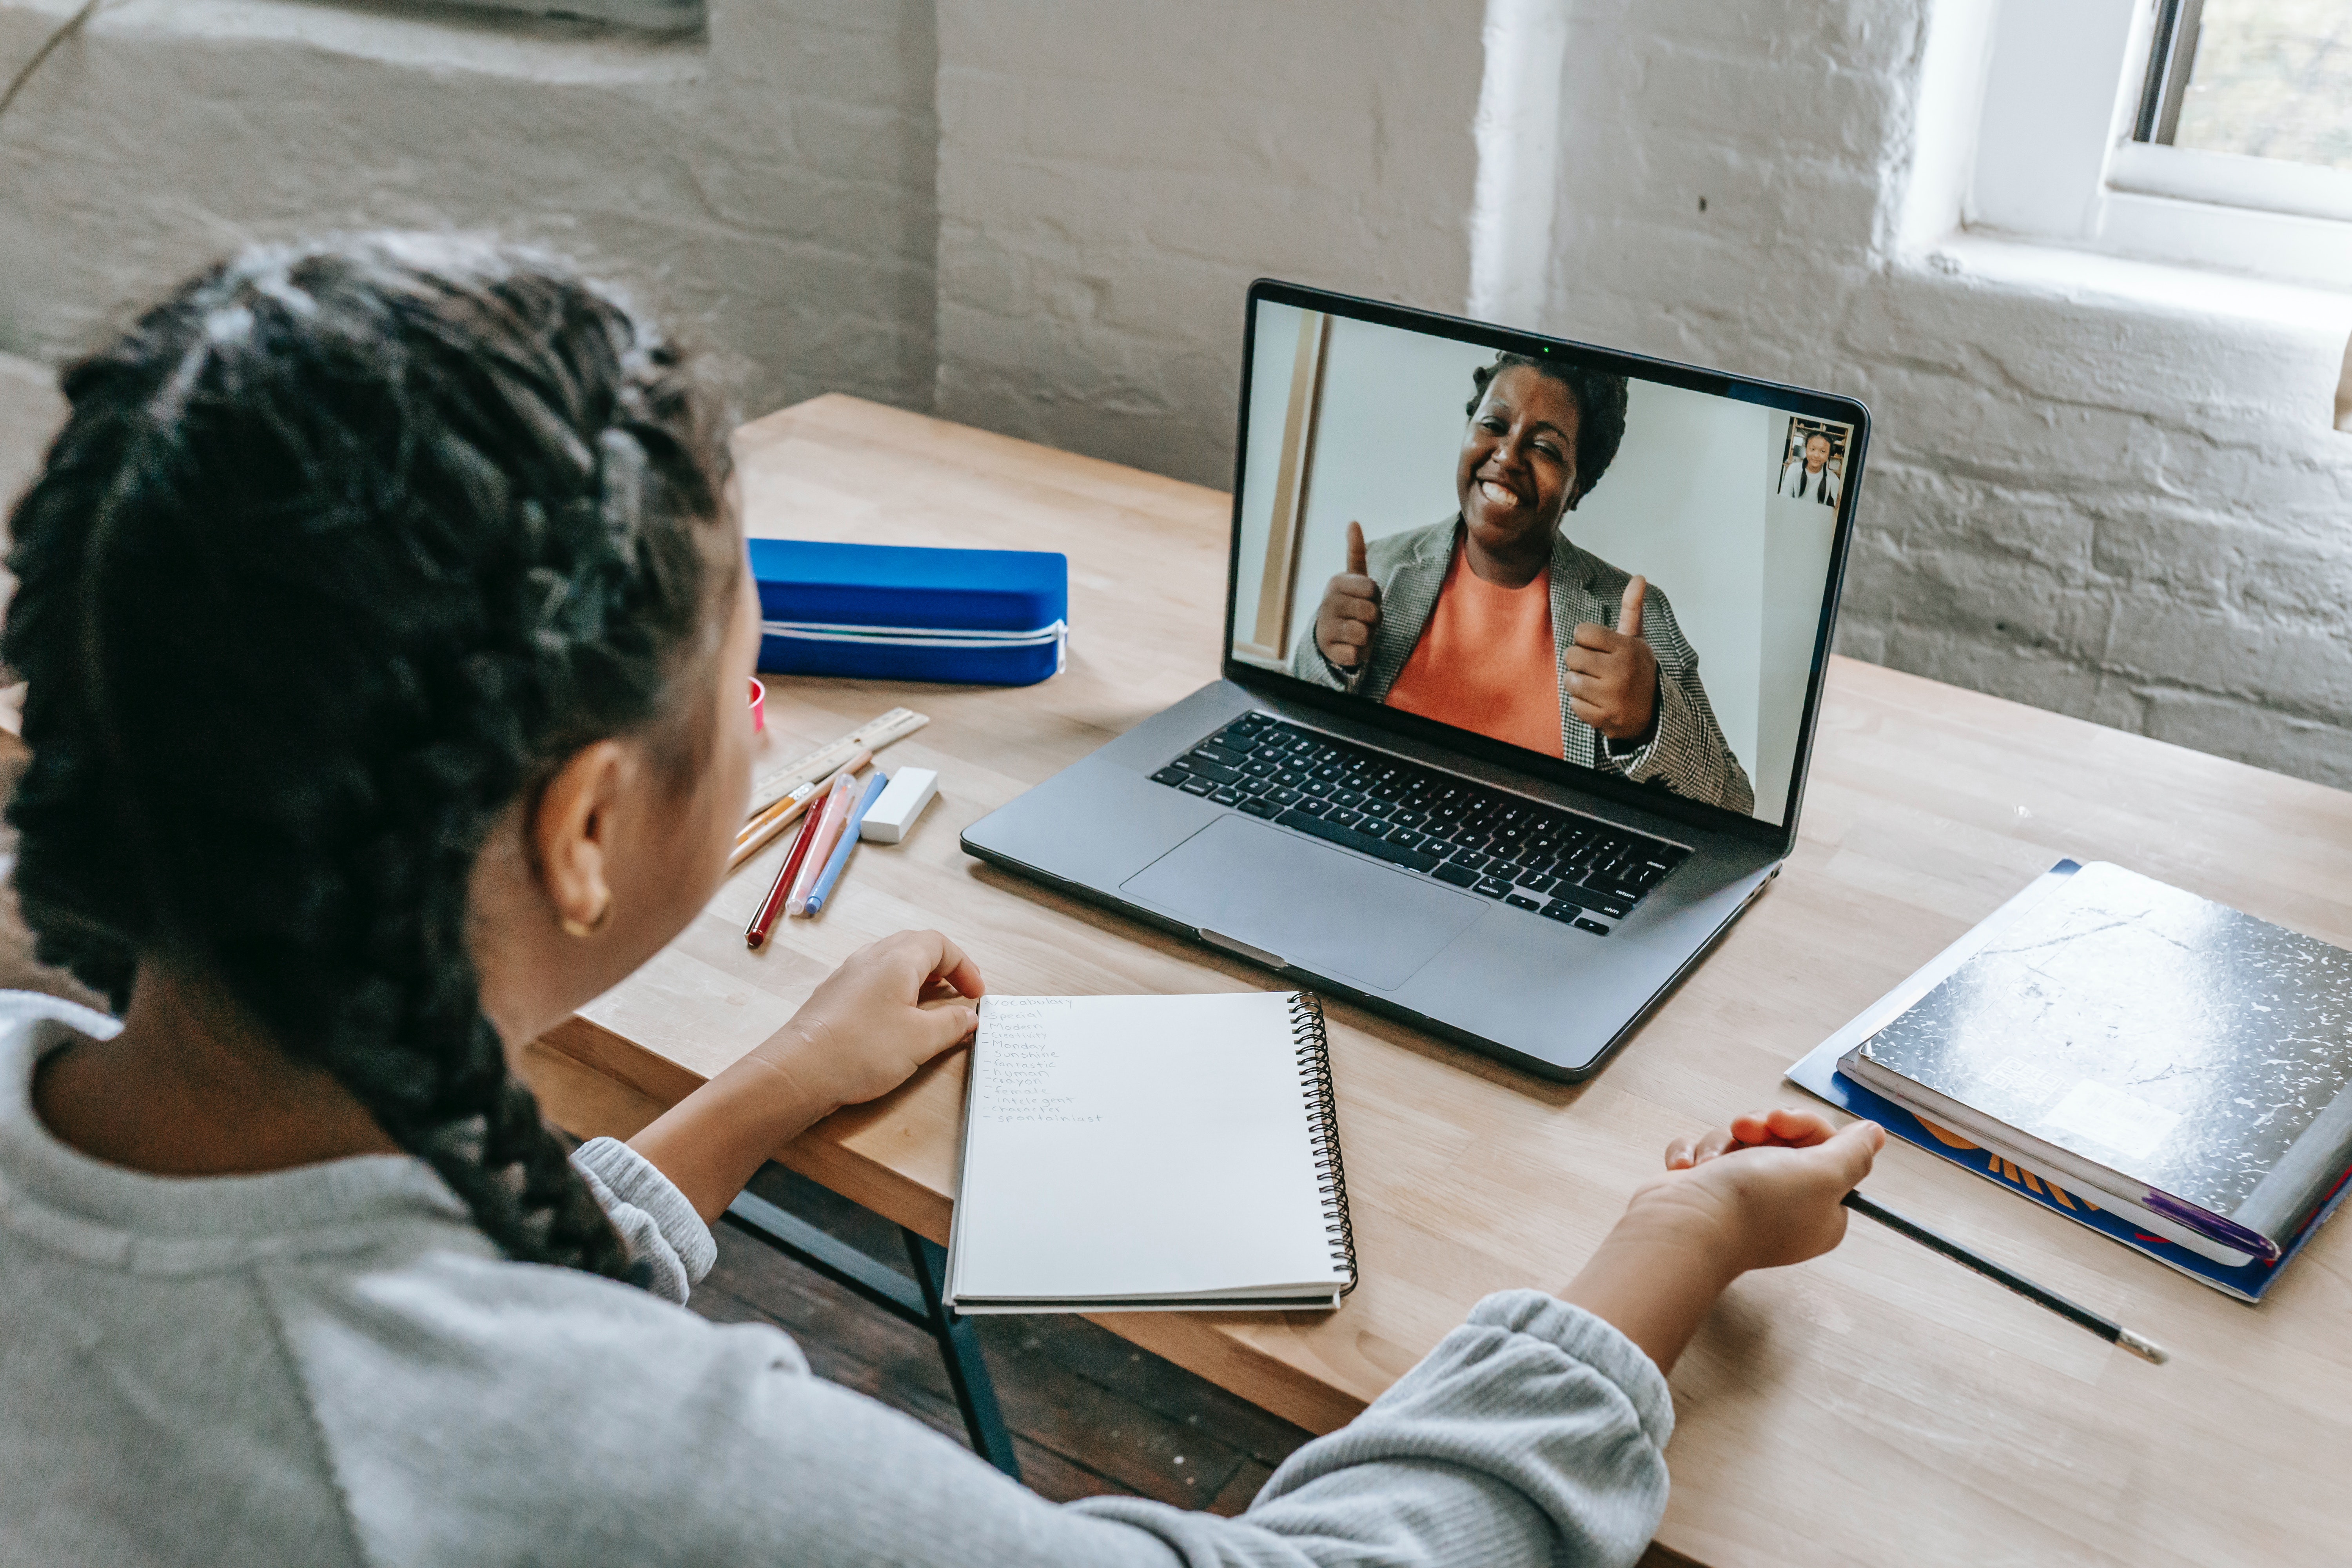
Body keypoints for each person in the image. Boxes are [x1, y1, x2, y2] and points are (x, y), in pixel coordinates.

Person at [0, 238, 1882, 1568]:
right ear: (583, 826)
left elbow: (379, 1281)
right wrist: (1667, 1247)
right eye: (745, 667)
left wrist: (748, 1098)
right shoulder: (628, 1457)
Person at [1289, 354, 1754, 815]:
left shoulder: (1633, 615)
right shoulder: (1382, 570)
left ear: (1577, 488)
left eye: (1547, 449)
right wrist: (1322, 657)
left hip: (1540, 874)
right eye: (1494, 424)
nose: (1508, 456)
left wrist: (1649, 722)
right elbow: (1299, 744)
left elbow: (1735, 807)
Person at [1780, 429, 1840, 507]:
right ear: (1806, 450)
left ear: (1828, 455)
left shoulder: (1833, 479)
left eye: (1823, 451)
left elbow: (1837, 508)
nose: (1816, 455)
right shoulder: (1794, 470)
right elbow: (1784, 497)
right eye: (1813, 449)